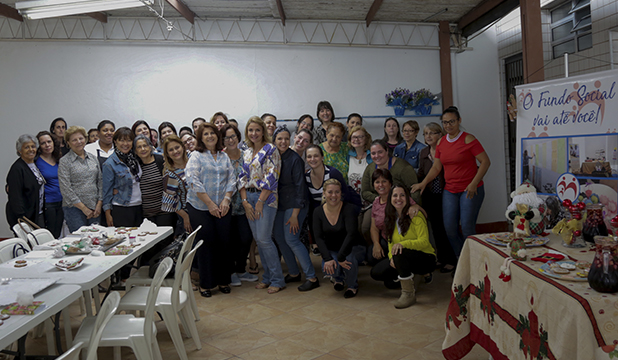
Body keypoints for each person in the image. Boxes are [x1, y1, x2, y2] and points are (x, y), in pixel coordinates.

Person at [412, 106, 490, 258]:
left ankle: (475, 263)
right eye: (445, 122)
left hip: (470, 189)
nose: (448, 125)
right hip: (450, 190)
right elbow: (436, 167)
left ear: (459, 121)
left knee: (467, 228)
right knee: (450, 229)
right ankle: (462, 261)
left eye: (451, 122)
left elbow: (485, 162)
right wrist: (423, 183)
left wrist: (474, 183)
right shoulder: (441, 142)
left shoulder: (468, 139)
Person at [186, 122, 236, 297]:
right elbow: (193, 181)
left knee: (224, 243)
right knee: (206, 245)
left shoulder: (224, 157)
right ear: (200, 137)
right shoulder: (196, 156)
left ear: (218, 136)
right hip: (200, 207)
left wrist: (226, 200)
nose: (209, 136)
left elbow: (232, 179)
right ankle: (206, 284)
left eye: (212, 133)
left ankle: (223, 280)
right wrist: (209, 204)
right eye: (205, 134)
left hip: (223, 206)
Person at [238, 116, 285, 294]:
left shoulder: (271, 149)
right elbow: (242, 177)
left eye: (257, 130)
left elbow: (272, 177)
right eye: (250, 130)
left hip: (266, 199)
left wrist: (259, 202)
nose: (254, 133)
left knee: (265, 239)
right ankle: (266, 278)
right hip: (248, 199)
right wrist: (245, 202)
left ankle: (277, 279)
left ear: (263, 131)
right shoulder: (247, 151)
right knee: (259, 240)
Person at [370, 185, 436, 309]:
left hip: (425, 257)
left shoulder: (415, 214)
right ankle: (411, 276)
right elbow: (390, 243)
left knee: (399, 252)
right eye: (395, 195)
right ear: (390, 199)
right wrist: (391, 258)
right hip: (401, 256)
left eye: (402, 195)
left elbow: (424, 242)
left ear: (407, 198)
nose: (398, 198)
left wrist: (402, 245)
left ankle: (408, 294)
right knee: (377, 273)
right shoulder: (390, 218)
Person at [272, 126, 319, 291]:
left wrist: (295, 214)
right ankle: (293, 273)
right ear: (274, 140)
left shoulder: (295, 159)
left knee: (292, 239)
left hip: (296, 205)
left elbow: (300, 189)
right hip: (280, 205)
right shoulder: (273, 156)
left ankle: (312, 277)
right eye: (280, 139)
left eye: (286, 139)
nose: (283, 142)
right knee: (279, 237)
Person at [313, 179, 365, 298]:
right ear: (324, 193)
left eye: (337, 192)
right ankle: (338, 279)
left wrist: (341, 257)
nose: (333, 195)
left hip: (353, 247)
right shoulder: (318, 212)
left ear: (341, 193)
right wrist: (327, 258)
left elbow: (351, 234)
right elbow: (318, 238)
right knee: (328, 267)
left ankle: (352, 286)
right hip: (332, 248)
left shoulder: (349, 209)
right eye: (330, 192)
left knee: (348, 260)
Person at [221, 124, 259, 284]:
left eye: (233, 136)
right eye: (227, 138)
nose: (230, 140)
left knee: (245, 237)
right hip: (226, 206)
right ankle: (231, 273)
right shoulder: (220, 157)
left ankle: (241, 269)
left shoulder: (247, 155)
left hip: (245, 205)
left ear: (238, 137)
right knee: (229, 241)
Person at [417, 123, 457, 273]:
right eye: (426, 133)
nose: (428, 136)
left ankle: (452, 259)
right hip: (429, 194)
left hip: (446, 193)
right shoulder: (423, 152)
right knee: (435, 228)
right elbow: (421, 173)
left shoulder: (446, 150)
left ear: (440, 135)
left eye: (432, 133)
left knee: (448, 227)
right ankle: (442, 258)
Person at [133, 134, 176, 263]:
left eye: (145, 145)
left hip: (164, 211)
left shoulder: (160, 161)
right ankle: (147, 276)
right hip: (146, 214)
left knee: (165, 245)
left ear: (151, 147)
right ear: (135, 150)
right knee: (149, 248)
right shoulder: (135, 165)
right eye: (139, 147)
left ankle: (166, 274)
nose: (142, 149)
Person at [58, 126, 103, 232]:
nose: (78, 142)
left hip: (94, 207)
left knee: (96, 240)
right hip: (74, 209)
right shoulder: (64, 161)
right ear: (68, 142)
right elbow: (66, 189)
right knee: (80, 242)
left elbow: (100, 181)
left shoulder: (93, 158)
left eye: (81, 138)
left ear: (85, 139)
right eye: (74, 140)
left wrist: (99, 204)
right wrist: (83, 208)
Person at [102, 127, 142, 227]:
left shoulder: (134, 158)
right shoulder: (110, 164)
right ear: (115, 141)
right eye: (122, 140)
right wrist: (107, 213)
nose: (125, 144)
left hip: (139, 205)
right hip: (122, 207)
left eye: (129, 140)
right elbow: (106, 191)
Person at [361, 139, 421, 206]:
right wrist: (381, 199)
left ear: (387, 151)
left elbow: (415, 191)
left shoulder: (404, 168)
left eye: (380, 152)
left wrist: (413, 206)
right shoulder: (370, 168)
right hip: (378, 204)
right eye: (373, 153)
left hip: (402, 205)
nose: (377, 156)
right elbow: (364, 192)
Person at [6, 134, 45, 229]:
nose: (31, 150)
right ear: (20, 151)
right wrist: (23, 219)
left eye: (33, 146)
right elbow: (15, 197)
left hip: (37, 214)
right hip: (25, 217)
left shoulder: (34, 164)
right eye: (26, 147)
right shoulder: (17, 169)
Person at [161, 135, 192, 235]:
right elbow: (169, 202)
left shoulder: (193, 161)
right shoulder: (171, 174)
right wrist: (185, 217)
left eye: (177, 147)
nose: (175, 151)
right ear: (167, 154)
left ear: (183, 146)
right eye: (171, 150)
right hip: (188, 213)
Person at [35, 131, 63, 238]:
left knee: (57, 234)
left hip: (61, 202)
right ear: (39, 146)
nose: (47, 145)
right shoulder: (36, 161)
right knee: (49, 235)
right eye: (43, 143)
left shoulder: (58, 158)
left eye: (49, 142)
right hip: (48, 203)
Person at [347, 125, 372, 204]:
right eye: (353, 137)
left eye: (360, 137)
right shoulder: (348, 157)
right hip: (352, 202)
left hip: (369, 202)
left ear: (366, 139)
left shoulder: (372, 156)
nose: (356, 139)